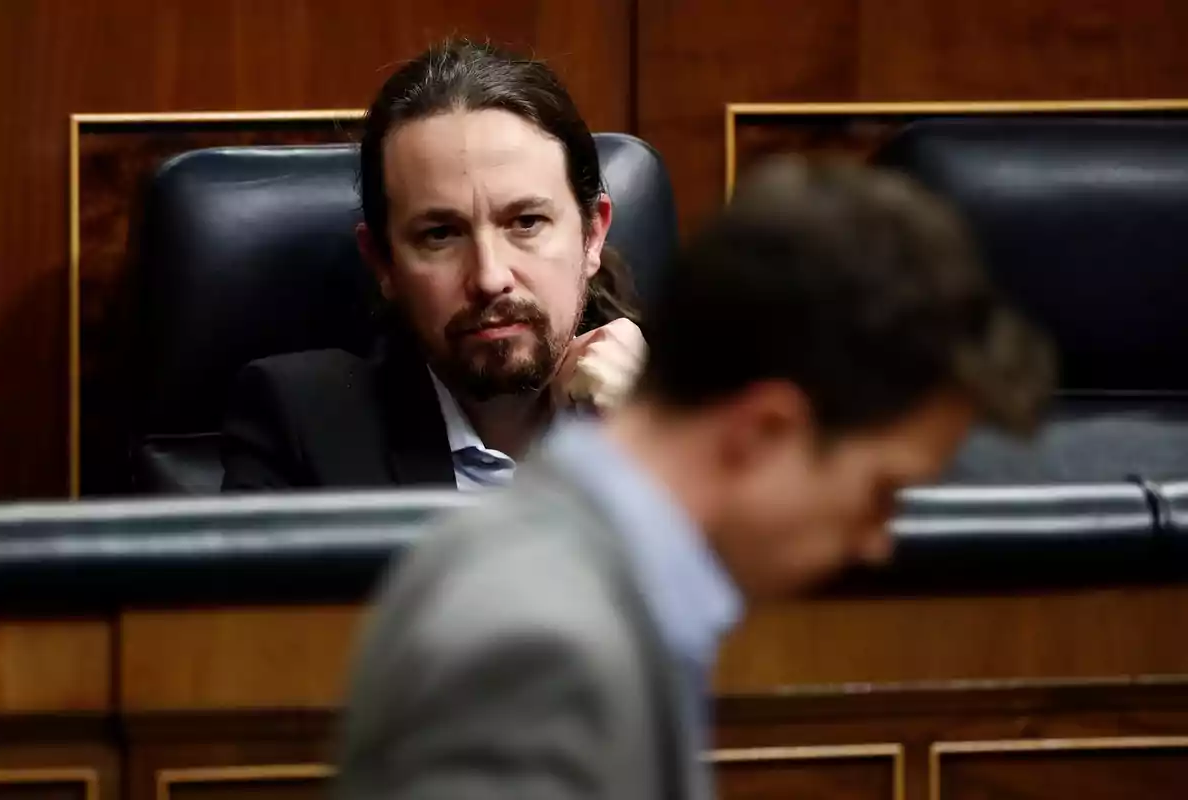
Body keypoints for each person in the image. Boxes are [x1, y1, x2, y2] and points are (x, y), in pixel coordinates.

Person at [333, 158, 1055, 799]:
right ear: (765, 431)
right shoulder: (543, 642)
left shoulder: (581, 575)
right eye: (880, 492)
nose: (876, 542)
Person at [220, 40, 646, 491]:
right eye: (440, 234)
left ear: (592, 234)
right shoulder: (301, 424)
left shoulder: (692, 416)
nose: (489, 277)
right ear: (382, 261)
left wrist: (649, 436)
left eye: (526, 222)